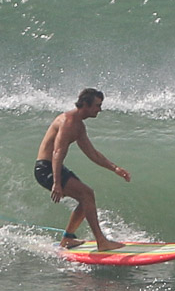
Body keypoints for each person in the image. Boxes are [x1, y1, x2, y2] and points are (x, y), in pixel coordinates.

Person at [35, 88, 131, 249]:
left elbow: (92, 153)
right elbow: (57, 152)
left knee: (86, 198)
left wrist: (115, 168)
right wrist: (57, 183)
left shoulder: (78, 126)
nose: (100, 109)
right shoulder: (68, 122)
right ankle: (102, 241)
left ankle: (67, 238)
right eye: (97, 105)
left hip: (53, 167)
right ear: (85, 104)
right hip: (46, 169)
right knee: (87, 194)